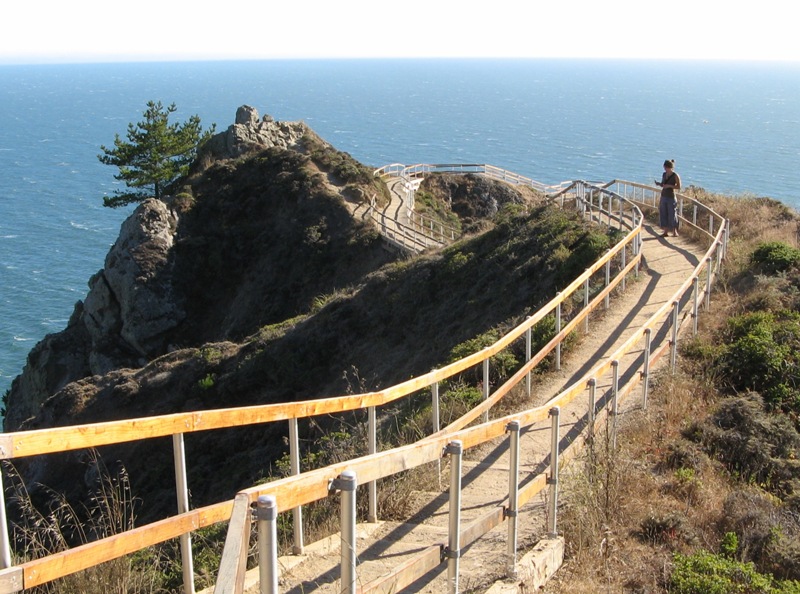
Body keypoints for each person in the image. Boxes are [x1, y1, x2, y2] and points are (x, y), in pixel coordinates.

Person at [656, 159, 681, 237]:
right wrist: (659, 184)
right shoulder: (664, 174)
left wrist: (670, 186)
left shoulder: (675, 175)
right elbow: (663, 184)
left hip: (671, 197)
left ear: (670, 167)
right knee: (663, 213)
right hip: (664, 196)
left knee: (672, 214)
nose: (665, 169)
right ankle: (665, 231)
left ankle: (674, 231)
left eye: (666, 167)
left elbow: (679, 186)